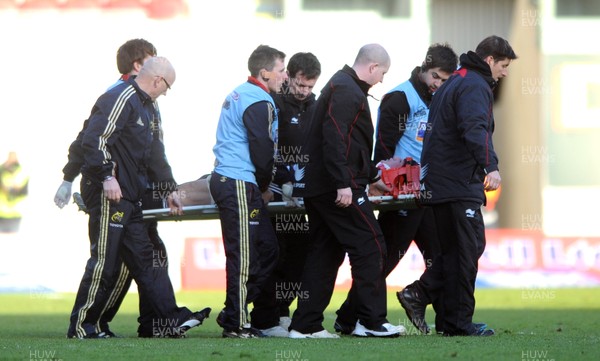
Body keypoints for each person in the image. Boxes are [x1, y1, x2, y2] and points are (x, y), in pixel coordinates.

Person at [68, 56, 208, 339]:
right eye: (167, 86)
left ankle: (170, 317)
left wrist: (170, 190)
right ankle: (82, 326)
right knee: (104, 263)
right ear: (157, 80)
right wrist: (107, 176)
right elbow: (94, 140)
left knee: (148, 260)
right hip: (110, 194)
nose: (166, 92)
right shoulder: (119, 98)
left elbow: (155, 154)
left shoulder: (148, 107)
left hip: (131, 198)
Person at [334, 43, 458, 335]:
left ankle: (445, 319)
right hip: (402, 195)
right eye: (436, 77)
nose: (439, 84)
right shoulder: (400, 97)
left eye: (444, 80)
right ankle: (350, 316)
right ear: (424, 69)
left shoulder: (436, 99)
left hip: (426, 193)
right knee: (385, 260)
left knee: (442, 256)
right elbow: (383, 151)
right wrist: (385, 187)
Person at [402, 35, 517, 337]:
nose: (505, 72)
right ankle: (436, 305)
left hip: (440, 181)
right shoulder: (475, 85)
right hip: (457, 182)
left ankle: (449, 321)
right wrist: (490, 165)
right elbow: (474, 127)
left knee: (456, 251)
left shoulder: (456, 80)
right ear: (490, 60)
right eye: (503, 65)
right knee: (467, 250)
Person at [288, 44, 403, 338]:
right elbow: (335, 137)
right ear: (373, 67)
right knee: (372, 245)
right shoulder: (346, 90)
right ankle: (369, 320)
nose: (381, 80)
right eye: (383, 73)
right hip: (336, 188)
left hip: (326, 185)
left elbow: (348, 144)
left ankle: (305, 325)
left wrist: (373, 174)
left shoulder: (342, 86)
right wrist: (344, 182)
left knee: (325, 254)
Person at [210, 45, 287, 338]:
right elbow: (262, 148)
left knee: (268, 250)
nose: (285, 76)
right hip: (239, 182)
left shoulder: (244, 93)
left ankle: (234, 310)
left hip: (238, 182)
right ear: (264, 72)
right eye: (281, 70)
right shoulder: (258, 99)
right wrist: (266, 183)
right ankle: (236, 324)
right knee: (244, 257)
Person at [248, 52, 321, 337]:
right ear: (289, 76)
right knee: (276, 255)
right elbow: (268, 150)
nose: (304, 92)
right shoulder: (274, 103)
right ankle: (264, 317)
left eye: (310, 87)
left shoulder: (317, 107)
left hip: (304, 197)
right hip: (276, 192)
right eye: (300, 85)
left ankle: (280, 312)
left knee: (299, 259)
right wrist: (279, 181)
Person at [0, 151, 29, 233]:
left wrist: (12, 191)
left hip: (15, 214)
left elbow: (23, 193)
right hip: (1, 214)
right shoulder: (1, 171)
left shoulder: (22, 174)